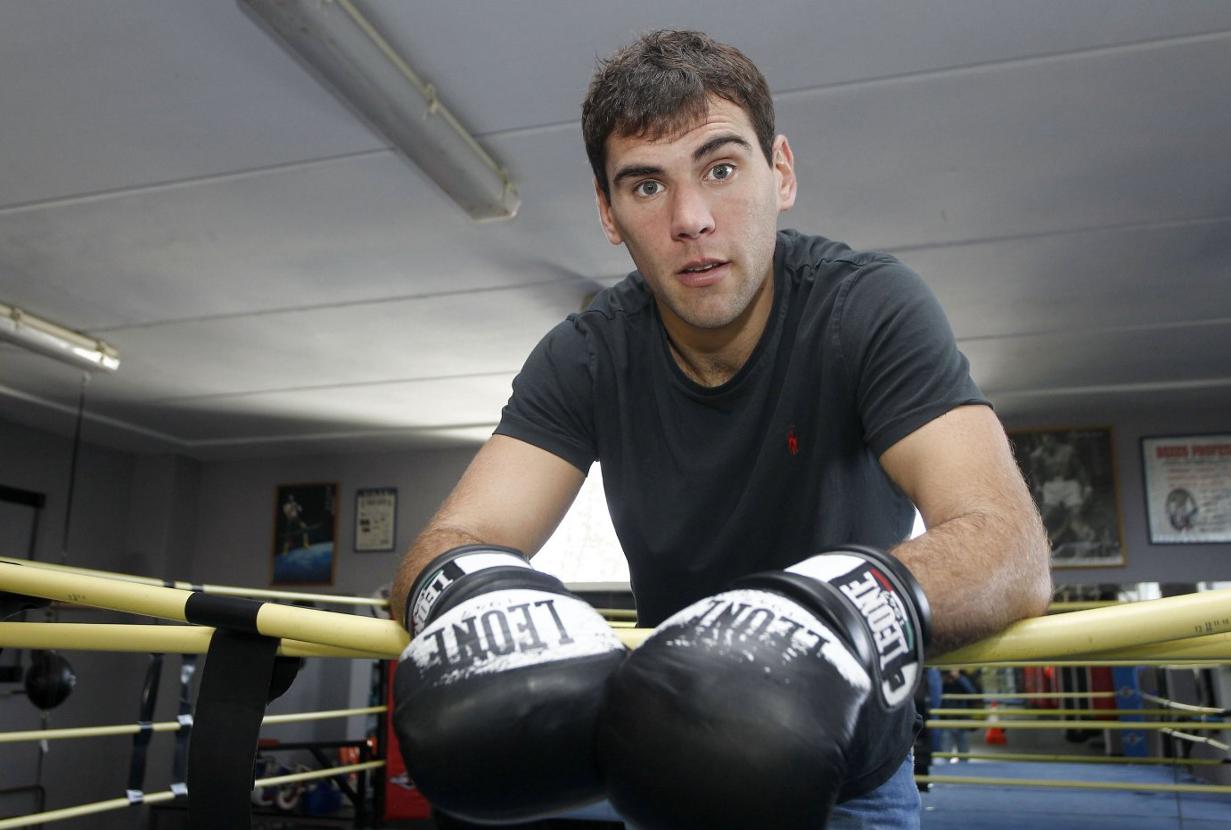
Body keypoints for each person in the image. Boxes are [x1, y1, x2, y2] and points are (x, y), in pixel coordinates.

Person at [390, 29, 1050, 829]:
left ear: (781, 172)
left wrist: (820, 617)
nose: (691, 219)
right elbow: (457, 534)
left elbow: (1007, 544)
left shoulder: (867, 309)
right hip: (666, 773)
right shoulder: (587, 355)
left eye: (722, 168)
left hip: (855, 778)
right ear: (607, 212)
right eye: (645, 187)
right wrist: (472, 601)